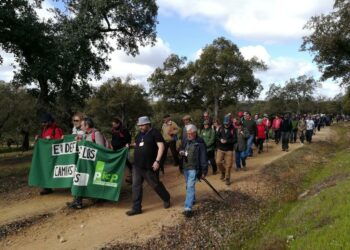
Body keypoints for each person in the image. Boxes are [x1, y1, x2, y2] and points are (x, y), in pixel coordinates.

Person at [126, 116, 171, 216]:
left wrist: (157, 161)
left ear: (148, 124)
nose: (140, 127)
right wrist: (130, 145)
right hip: (137, 165)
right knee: (136, 186)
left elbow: (161, 147)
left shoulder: (155, 133)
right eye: (139, 125)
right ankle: (136, 208)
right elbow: (138, 144)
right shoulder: (139, 135)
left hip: (149, 166)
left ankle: (166, 198)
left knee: (155, 184)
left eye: (142, 125)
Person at [67, 117, 105, 209]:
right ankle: (77, 200)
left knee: (83, 180)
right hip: (86, 164)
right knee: (79, 179)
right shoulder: (87, 135)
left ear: (87, 126)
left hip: (94, 164)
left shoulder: (96, 134)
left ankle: (79, 201)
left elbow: (101, 149)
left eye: (82, 125)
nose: (81, 127)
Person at [179, 124, 208, 218]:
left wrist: (204, 171)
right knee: (188, 186)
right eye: (188, 133)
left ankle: (188, 208)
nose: (189, 135)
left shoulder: (200, 143)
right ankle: (193, 199)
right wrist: (181, 151)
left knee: (190, 186)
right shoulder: (185, 141)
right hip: (185, 168)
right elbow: (181, 148)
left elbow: (203, 157)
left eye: (191, 133)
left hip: (194, 169)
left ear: (195, 133)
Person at [35, 113, 64, 195]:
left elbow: (60, 140)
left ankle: (59, 184)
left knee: (53, 169)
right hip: (46, 154)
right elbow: (44, 140)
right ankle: (47, 187)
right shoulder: (45, 128)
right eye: (43, 122)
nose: (43, 124)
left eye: (45, 122)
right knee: (45, 169)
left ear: (50, 121)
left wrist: (51, 139)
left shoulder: (57, 129)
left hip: (55, 155)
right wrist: (39, 138)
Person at [216, 116, 236, 185]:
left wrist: (227, 141)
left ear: (230, 123)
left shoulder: (233, 129)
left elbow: (234, 139)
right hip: (220, 148)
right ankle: (223, 172)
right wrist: (220, 140)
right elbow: (217, 136)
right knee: (218, 162)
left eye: (227, 124)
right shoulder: (220, 128)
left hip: (229, 150)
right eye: (225, 123)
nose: (226, 125)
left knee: (229, 165)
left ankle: (227, 178)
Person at [111, 117, 132, 184]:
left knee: (127, 162)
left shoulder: (124, 130)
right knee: (118, 163)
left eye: (114, 124)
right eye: (112, 124)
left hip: (123, 149)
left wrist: (127, 145)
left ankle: (131, 176)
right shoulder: (113, 130)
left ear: (118, 123)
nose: (113, 126)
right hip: (116, 150)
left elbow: (128, 139)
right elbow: (113, 139)